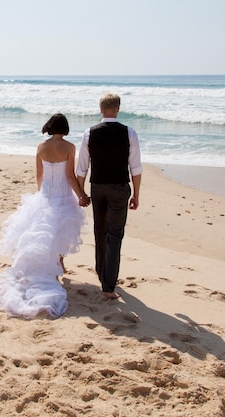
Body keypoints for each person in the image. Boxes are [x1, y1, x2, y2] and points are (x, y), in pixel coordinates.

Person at [0, 114, 88, 319]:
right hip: (62, 194)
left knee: (42, 231)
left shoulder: (41, 147)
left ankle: (54, 265)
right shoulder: (69, 147)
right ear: (65, 128)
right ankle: (59, 264)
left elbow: (39, 175)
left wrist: (41, 195)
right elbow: (70, 175)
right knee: (62, 229)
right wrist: (80, 194)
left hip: (45, 194)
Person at [76, 93, 142, 300]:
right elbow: (136, 168)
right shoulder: (129, 133)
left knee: (100, 231)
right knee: (115, 235)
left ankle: (101, 271)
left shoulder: (89, 133)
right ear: (118, 108)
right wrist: (136, 195)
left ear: (100, 109)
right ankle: (108, 285)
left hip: (98, 187)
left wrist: (82, 193)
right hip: (120, 188)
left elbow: (82, 168)